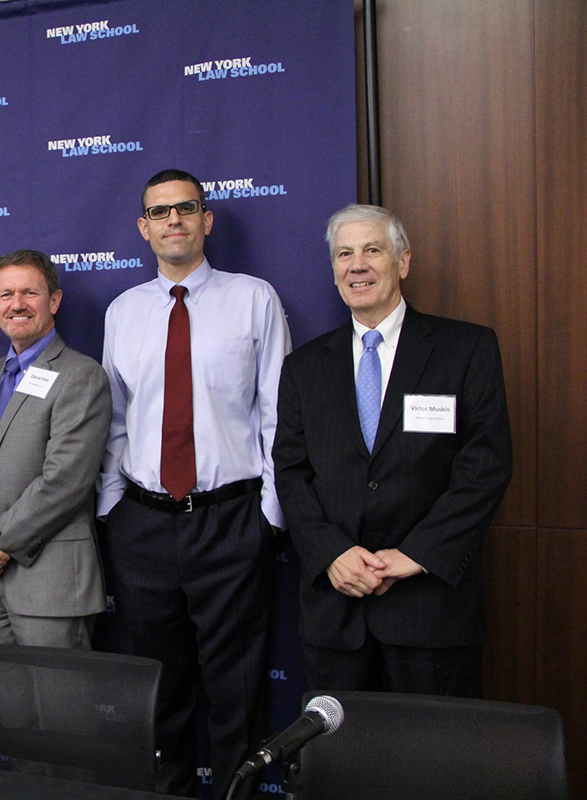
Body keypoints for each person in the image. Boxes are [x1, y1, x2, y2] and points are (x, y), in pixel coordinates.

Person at [97, 169, 291, 797]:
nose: (173, 220)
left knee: (237, 691)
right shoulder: (123, 312)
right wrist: (115, 511)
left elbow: (277, 415)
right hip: (144, 525)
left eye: (186, 209)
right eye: (159, 212)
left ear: (207, 220)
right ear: (143, 227)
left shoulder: (254, 298)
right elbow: (116, 421)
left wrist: (267, 516)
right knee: (158, 691)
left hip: (231, 521)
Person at [274, 204, 512, 696]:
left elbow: (485, 467)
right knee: (339, 766)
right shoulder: (304, 367)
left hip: (430, 609)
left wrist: (414, 555)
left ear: (403, 262)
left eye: (372, 250)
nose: (356, 265)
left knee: (432, 766)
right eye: (344, 253)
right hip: (336, 612)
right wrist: (332, 553)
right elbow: (291, 474)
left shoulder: (465, 349)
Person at [0, 249, 110, 649]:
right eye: (6, 295)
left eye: (30, 293)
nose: (17, 305)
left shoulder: (81, 374)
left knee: (60, 710)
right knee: (9, 711)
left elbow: (65, 480)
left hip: (52, 586)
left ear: (54, 301)